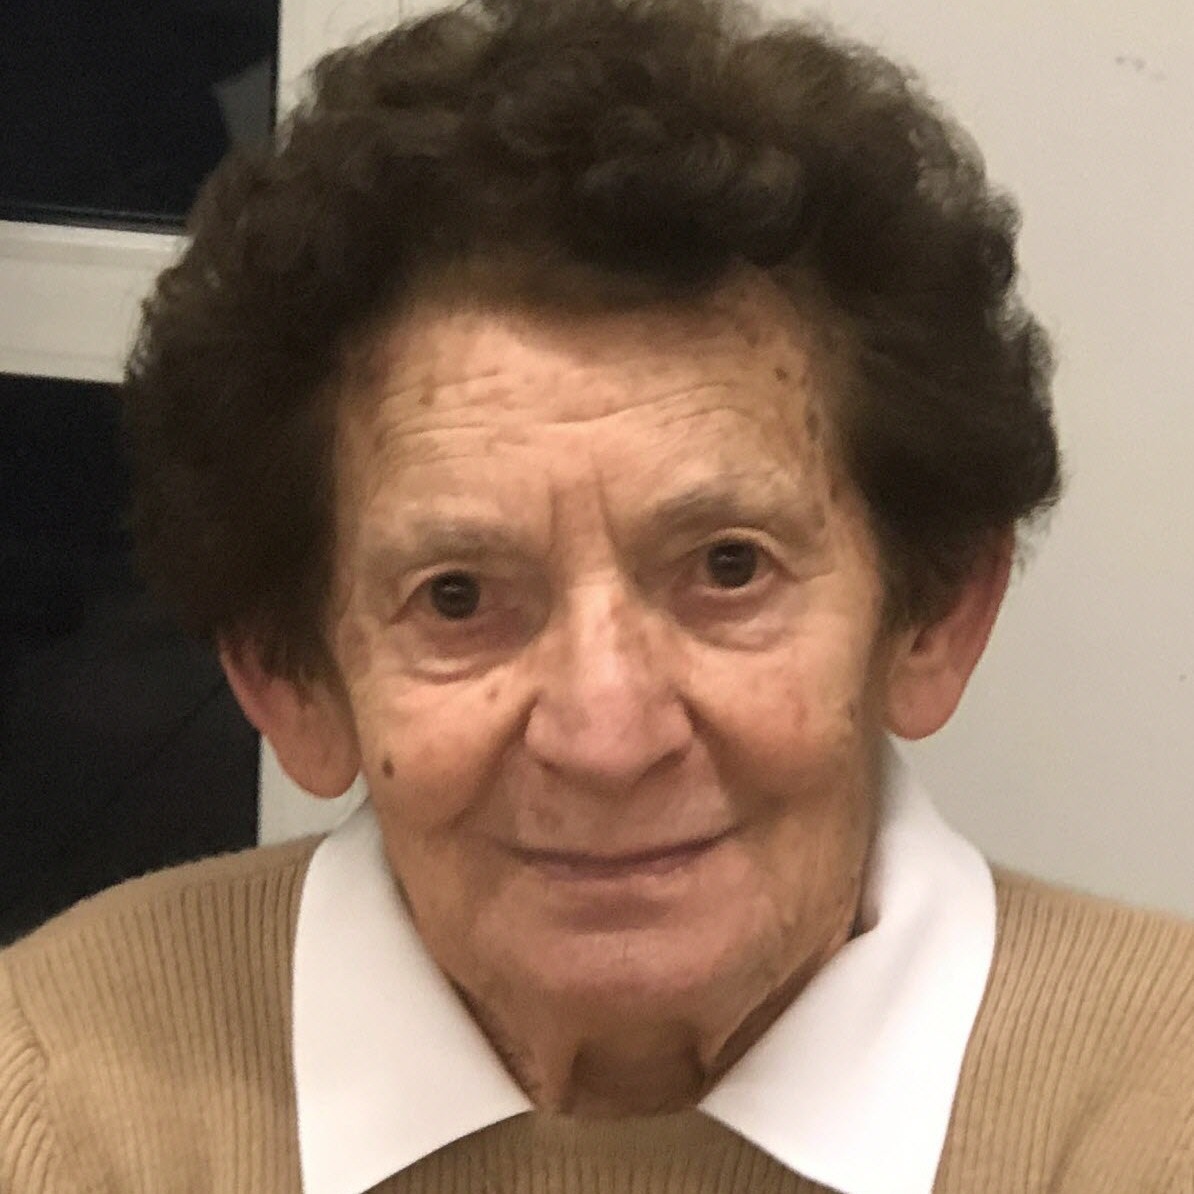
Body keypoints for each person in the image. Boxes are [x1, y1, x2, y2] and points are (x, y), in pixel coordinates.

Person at [2, 0, 1191, 1190]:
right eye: (457, 597)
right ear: (289, 676)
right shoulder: (55, 1097)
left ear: (934, 615)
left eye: (729, 568)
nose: (607, 738)